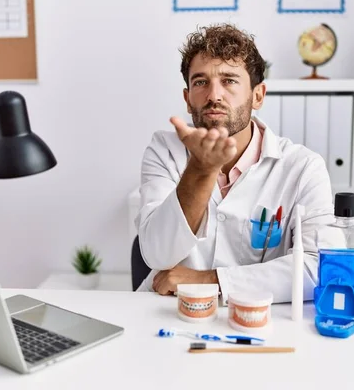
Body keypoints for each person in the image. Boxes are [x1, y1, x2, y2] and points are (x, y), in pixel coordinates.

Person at [134, 23, 335, 304]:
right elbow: (158, 254)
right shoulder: (165, 150)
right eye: (200, 82)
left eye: (229, 80)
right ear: (188, 99)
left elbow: (320, 270)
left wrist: (211, 281)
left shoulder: (303, 168)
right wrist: (201, 168)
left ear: (258, 95)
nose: (214, 95)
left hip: (258, 317)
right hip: (164, 309)